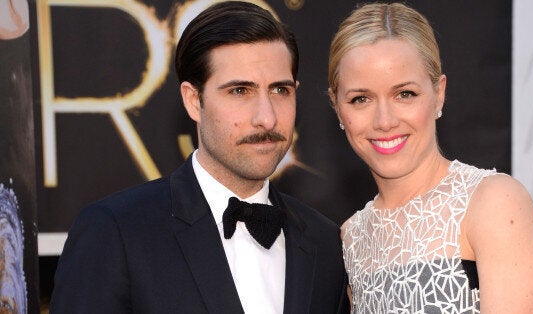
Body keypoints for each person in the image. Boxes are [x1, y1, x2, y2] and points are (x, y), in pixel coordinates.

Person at [50, 2, 348, 313]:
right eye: (239, 91)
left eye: (279, 91)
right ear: (194, 101)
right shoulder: (115, 233)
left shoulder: (324, 241)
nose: (267, 118)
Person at [327, 3, 533, 313]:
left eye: (405, 94)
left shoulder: (492, 202)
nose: (384, 120)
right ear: (337, 107)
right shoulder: (352, 238)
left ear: (438, 93)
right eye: (360, 99)